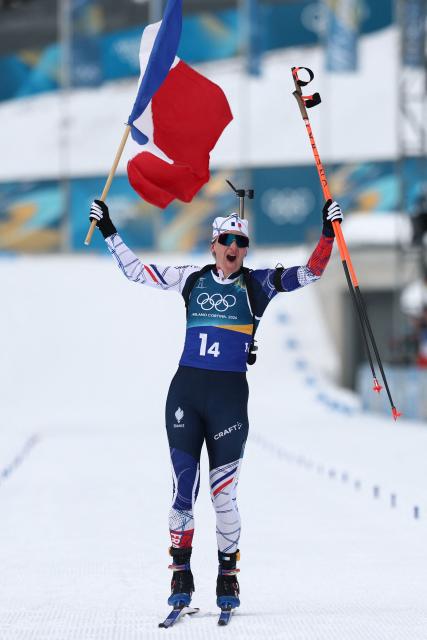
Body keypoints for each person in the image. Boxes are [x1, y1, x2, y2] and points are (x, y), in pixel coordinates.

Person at [89, 196, 343, 613]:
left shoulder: (258, 284)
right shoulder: (191, 278)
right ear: (213, 245)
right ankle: (180, 572)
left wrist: (328, 233)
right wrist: (108, 229)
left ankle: (228, 574)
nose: (234, 247)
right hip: (186, 393)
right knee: (182, 494)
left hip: (228, 400)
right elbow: (137, 272)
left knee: (222, 496)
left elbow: (311, 272)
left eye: (241, 242)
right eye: (226, 239)